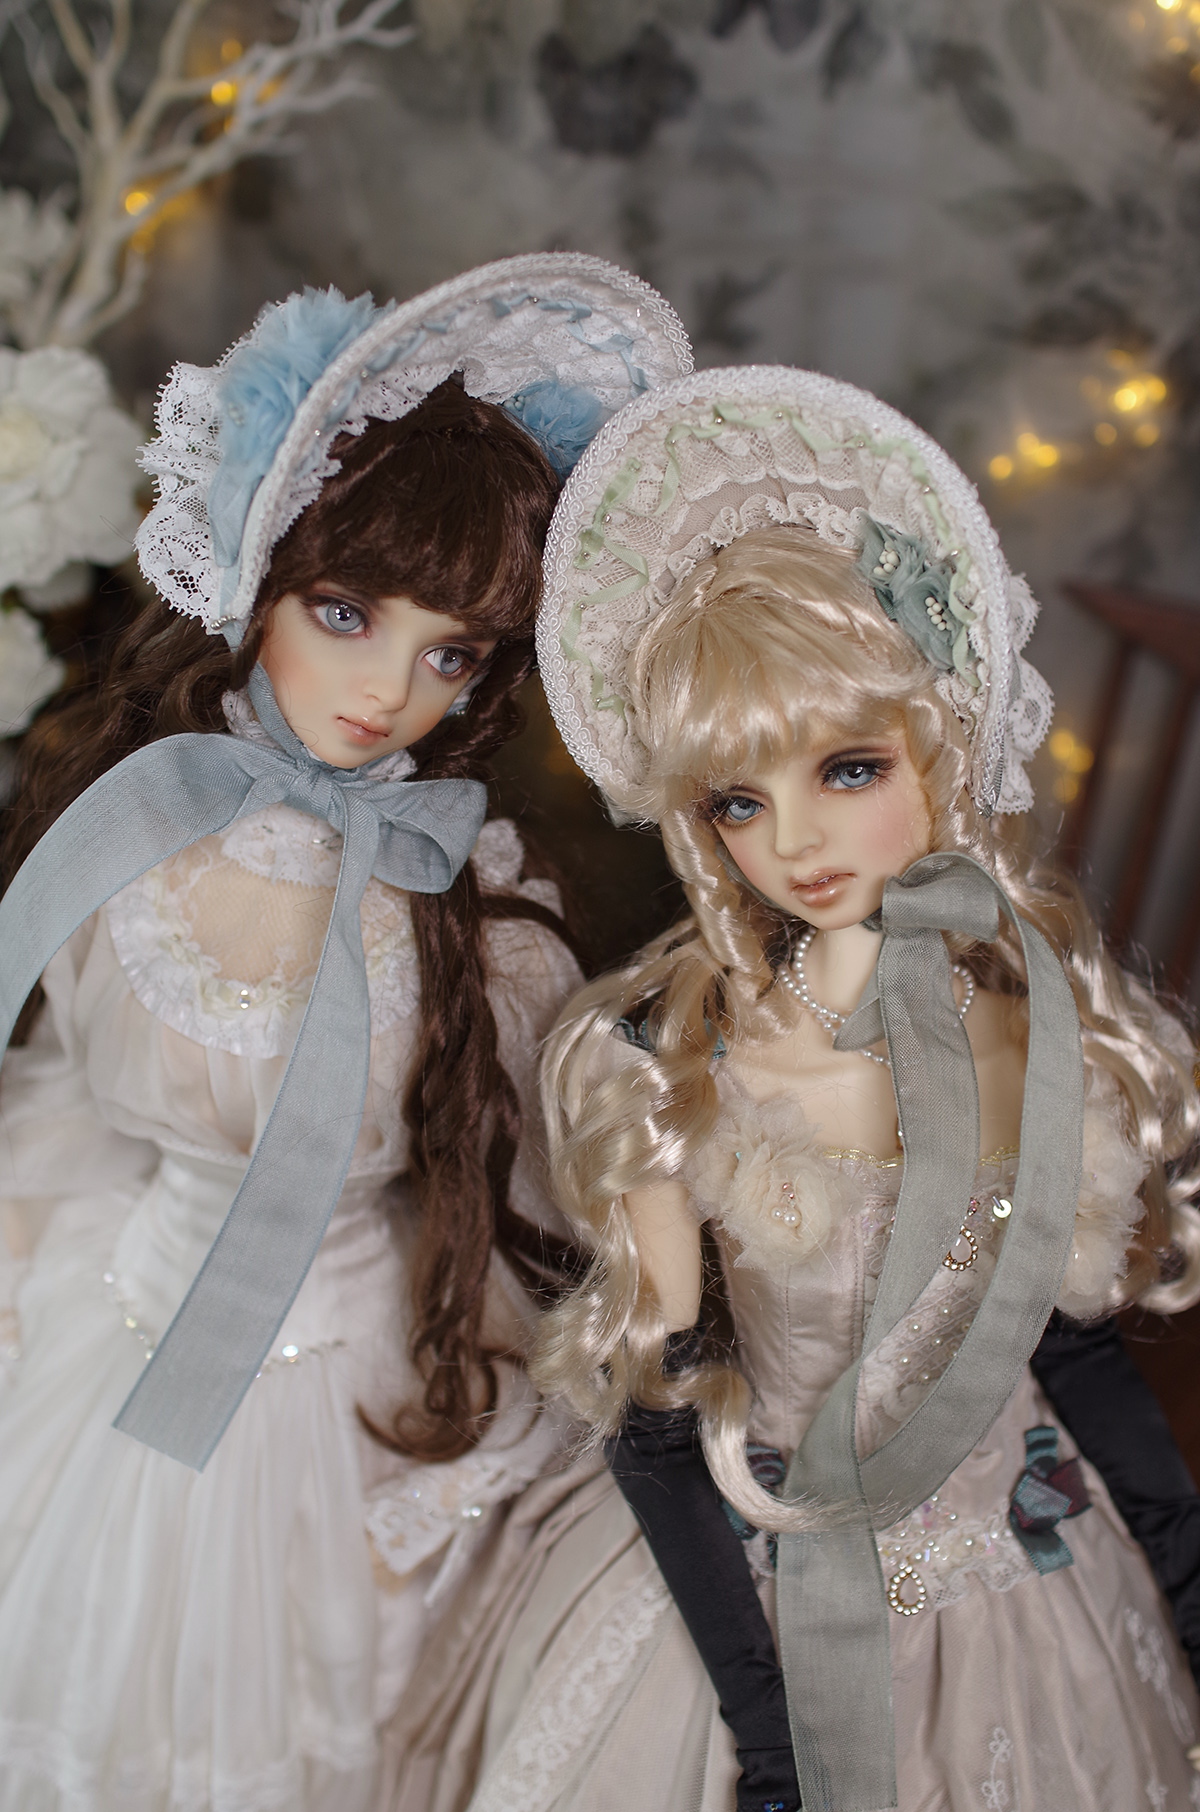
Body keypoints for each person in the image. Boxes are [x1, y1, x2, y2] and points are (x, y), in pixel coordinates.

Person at [395, 366, 1200, 1812]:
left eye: (849, 770)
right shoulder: (669, 1066)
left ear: (939, 748)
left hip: (1025, 1572)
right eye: (739, 803)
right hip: (765, 1576)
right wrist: (770, 1731)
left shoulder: (1030, 1030)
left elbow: (1069, 1349)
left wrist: (1186, 1571)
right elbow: (656, 1415)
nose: (798, 846)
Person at [0, 256, 692, 1812]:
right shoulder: (138, 831)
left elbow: (541, 1178)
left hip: (355, 1375)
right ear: (256, 574)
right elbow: (57, 1081)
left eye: (451, 653)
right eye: (346, 614)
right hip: (111, 1309)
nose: (388, 693)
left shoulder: (466, 911)